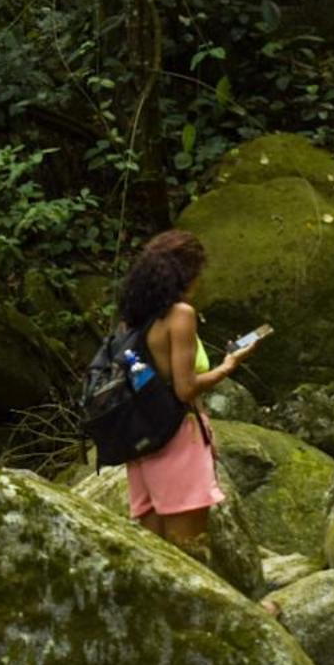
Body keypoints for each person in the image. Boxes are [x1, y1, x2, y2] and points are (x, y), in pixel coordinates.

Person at [115, 230, 261, 567]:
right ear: (187, 273)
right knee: (189, 555)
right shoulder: (180, 315)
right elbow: (184, 388)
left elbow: (141, 375)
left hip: (142, 441)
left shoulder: (134, 316)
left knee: (153, 556)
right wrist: (229, 365)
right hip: (176, 440)